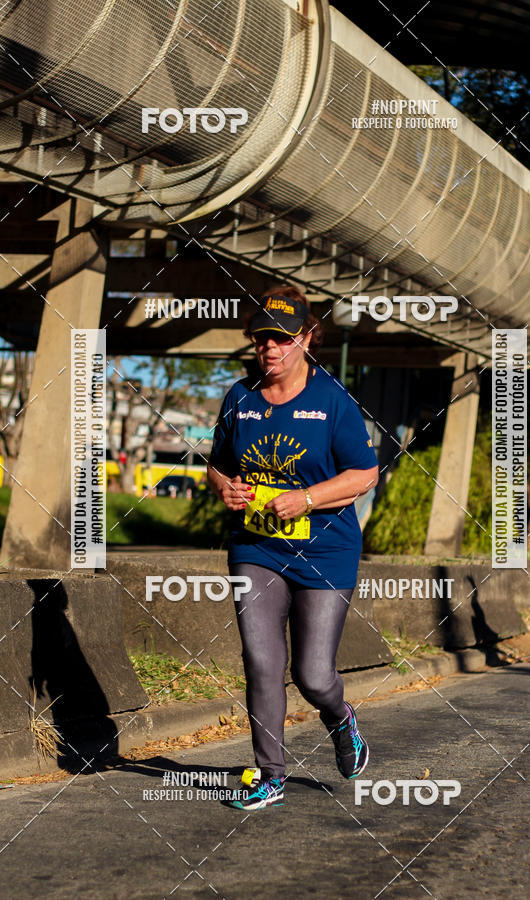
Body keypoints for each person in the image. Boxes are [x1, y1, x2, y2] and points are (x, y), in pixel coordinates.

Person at [207, 285, 379, 810]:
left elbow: (365, 473)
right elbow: (216, 463)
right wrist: (224, 487)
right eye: (262, 339)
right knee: (260, 659)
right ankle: (270, 776)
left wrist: (306, 498)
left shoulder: (331, 399)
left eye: (283, 338)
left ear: (306, 338)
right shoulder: (240, 397)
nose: (271, 349)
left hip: (326, 552)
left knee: (313, 674)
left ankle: (340, 717)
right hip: (255, 547)